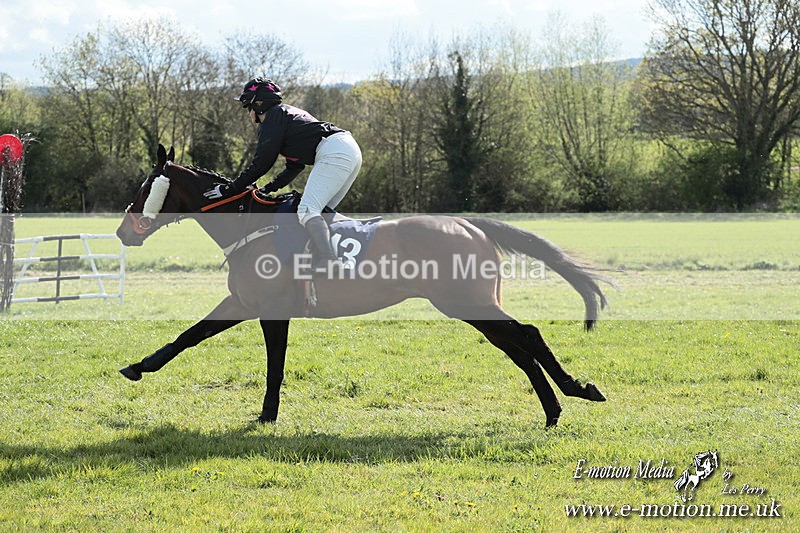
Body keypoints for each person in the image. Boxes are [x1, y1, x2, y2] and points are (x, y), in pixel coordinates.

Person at [204, 77, 362, 273]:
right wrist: (268, 188)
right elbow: (294, 167)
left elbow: (262, 162)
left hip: (335, 151)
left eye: (248, 106)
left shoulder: (272, 118)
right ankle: (341, 258)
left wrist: (230, 188)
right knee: (322, 212)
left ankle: (331, 262)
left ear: (259, 104)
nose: (248, 112)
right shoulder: (283, 115)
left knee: (307, 211)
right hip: (347, 148)